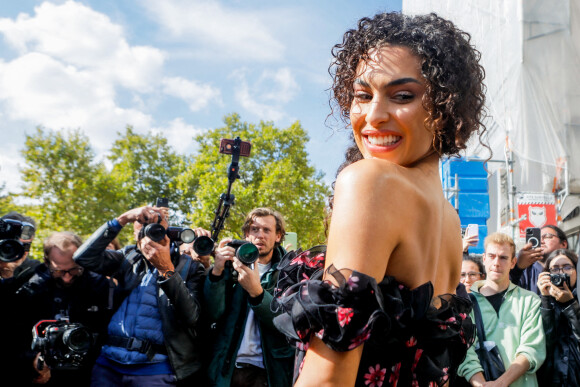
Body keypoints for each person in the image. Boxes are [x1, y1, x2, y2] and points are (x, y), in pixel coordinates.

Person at [272, 11, 485, 386]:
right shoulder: (449, 220)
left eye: (402, 95)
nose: (373, 116)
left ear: (446, 107)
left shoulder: (370, 181)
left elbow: (328, 379)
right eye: (362, 95)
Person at [73, 206, 207, 386]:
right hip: (108, 365)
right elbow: (83, 257)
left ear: (167, 228)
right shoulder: (129, 257)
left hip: (155, 370)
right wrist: (121, 219)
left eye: (156, 222)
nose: (149, 228)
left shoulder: (189, 266)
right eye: (142, 221)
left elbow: (193, 317)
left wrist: (165, 268)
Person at [204, 207, 293, 387]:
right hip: (228, 369)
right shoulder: (231, 265)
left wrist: (257, 292)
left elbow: (286, 323)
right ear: (246, 234)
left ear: (278, 236)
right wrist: (217, 271)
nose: (260, 235)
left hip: (267, 372)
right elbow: (212, 313)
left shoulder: (289, 271)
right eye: (254, 229)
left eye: (267, 230)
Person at [16, 231, 112, 387]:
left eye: (74, 270)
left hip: (89, 373)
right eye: (59, 271)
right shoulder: (31, 290)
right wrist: (32, 359)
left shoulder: (100, 287)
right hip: (45, 374)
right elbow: (15, 336)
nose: (67, 277)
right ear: (47, 262)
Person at [457, 232, 545, 386]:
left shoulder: (530, 300)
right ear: (484, 259)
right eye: (492, 256)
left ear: (513, 262)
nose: (496, 263)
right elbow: (465, 352)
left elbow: (531, 349)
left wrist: (501, 383)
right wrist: (482, 385)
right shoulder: (465, 303)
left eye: (503, 257)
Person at [536, 249, 580, 386]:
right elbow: (543, 342)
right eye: (555, 269)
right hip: (550, 379)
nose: (561, 273)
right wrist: (545, 299)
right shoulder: (540, 302)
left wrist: (570, 304)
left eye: (567, 267)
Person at [510, 225, 568, 295]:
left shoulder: (574, 268)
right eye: (538, 238)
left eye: (547, 236)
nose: (541, 241)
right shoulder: (525, 271)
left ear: (563, 244)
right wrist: (518, 268)